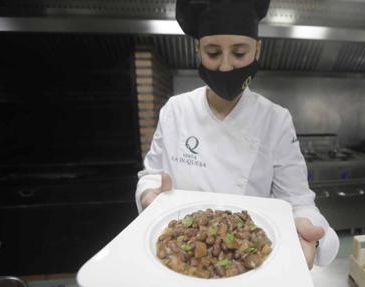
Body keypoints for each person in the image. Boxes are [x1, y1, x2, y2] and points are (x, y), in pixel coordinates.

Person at [135, 0, 339, 268]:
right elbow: (150, 176)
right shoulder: (176, 110)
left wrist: (306, 228)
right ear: (198, 50)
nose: (226, 66)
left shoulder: (275, 119)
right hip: (183, 259)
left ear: (258, 50)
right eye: (213, 52)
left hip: (248, 261)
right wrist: (149, 195)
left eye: (239, 53)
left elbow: (298, 200)